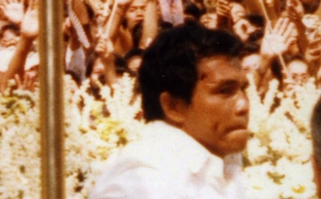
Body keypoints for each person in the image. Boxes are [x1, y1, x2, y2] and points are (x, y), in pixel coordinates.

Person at [90, 22, 251, 199]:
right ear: (173, 106)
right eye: (224, 91)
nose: (243, 105)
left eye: (244, 89)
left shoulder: (222, 167)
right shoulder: (141, 184)